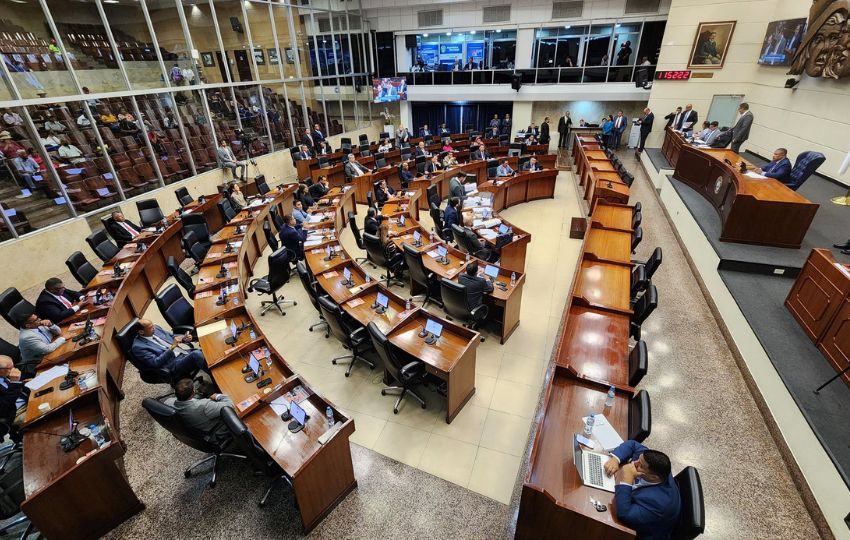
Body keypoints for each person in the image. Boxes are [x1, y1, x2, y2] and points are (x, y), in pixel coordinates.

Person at [603, 440, 681, 538]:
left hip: (639, 534)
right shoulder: (651, 462)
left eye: (641, 466)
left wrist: (627, 480)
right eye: (639, 460)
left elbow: (624, 514)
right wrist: (615, 460)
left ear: (653, 477)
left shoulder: (659, 504)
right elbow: (633, 444)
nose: (635, 463)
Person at [131, 319, 207, 380]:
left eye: (153, 325)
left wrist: (184, 338)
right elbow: (156, 363)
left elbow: (172, 336)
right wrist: (172, 348)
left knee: (205, 349)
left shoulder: (156, 328)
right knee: (196, 355)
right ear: (141, 332)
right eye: (151, 328)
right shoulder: (138, 347)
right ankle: (217, 378)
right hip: (172, 365)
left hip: (183, 353)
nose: (154, 328)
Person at [164, 378, 233, 444]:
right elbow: (230, 404)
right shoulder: (204, 406)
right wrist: (217, 396)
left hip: (195, 430)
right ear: (193, 392)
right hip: (215, 432)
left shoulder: (167, 403)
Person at [17, 310, 66, 379]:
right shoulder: (27, 337)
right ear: (28, 325)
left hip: (50, 352)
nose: (40, 319)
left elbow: (58, 332)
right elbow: (47, 349)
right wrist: (63, 338)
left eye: (38, 317)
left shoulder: (37, 325)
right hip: (39, 363)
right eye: (36, 320)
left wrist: (50, 325)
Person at [0, 355, 27, 426]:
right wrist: (15, 383)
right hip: (16, 413)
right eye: (10, 368)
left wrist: (23, 382)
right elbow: (4, 408)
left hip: (25, 400)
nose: (13, 370)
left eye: (13, 366)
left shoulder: (4, 375)